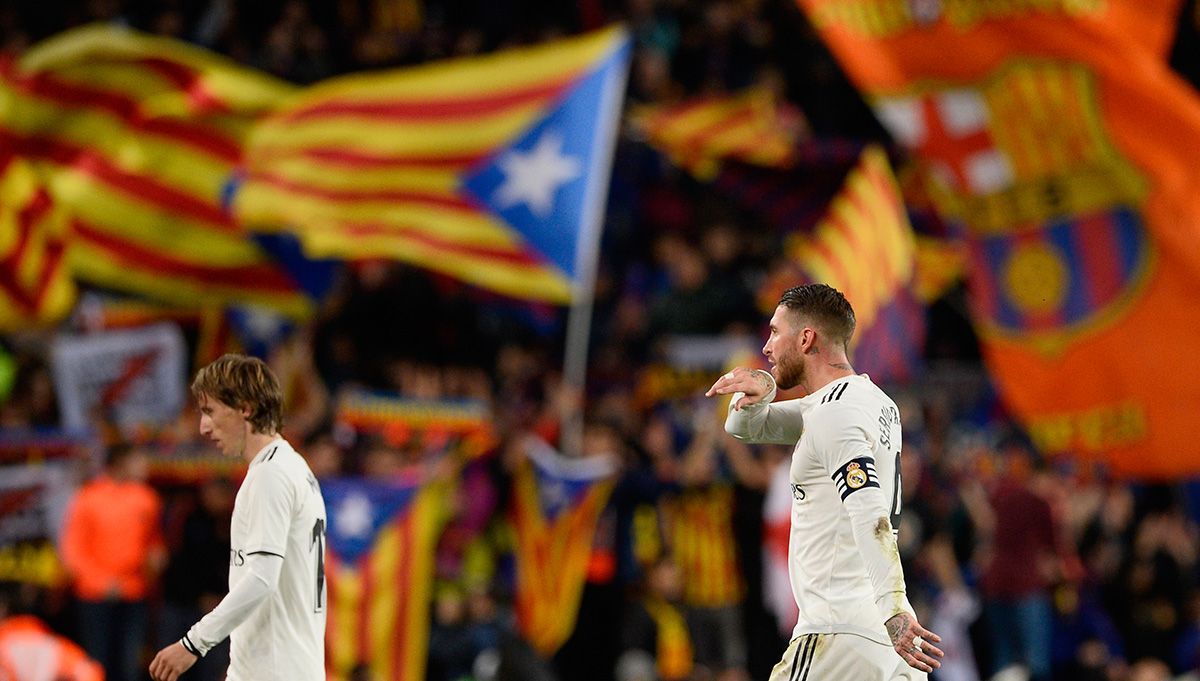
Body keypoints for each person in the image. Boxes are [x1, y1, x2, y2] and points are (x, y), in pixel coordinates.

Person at [705, 283, 943, 680]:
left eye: (775, 332)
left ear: (806, 338)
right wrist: (764, 386)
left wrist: (895, 606)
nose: (766, 347)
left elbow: (869, 513)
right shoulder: (873, 403)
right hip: (882, 643)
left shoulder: (834, 414)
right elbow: (745, 426)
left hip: (838, 634)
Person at [149, 354, 328, 681]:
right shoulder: (294, 468)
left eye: (210, 411)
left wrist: (192, 643)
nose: (203, 427)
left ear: (245, 408)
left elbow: (261, 578)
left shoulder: (271, 475)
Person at [60, 442, 165, 681]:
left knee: (131, 665)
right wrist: (103, 583)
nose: (144, 466)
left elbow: (153, 541)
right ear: (120, 463)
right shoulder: (88, 498)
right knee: (98, 664)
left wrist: (157, 556)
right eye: (138, 460)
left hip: (135, 593)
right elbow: (73, 551)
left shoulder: (147, 498)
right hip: (95, 596)